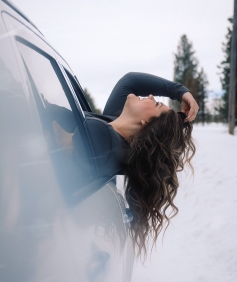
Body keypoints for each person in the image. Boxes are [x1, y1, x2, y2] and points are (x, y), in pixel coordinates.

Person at [53, 72, 198, 256]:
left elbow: (53, 134)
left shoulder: (104, 143)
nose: (152, 96)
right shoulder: (113, 130)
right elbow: (130, 82)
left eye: (156, 104)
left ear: (146, 124)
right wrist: (180, 91)